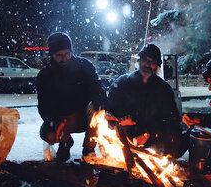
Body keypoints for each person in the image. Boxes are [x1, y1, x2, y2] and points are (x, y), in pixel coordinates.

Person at [35, 32, 103, 162]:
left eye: (67, 54)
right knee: (48, 134)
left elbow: (97, 88)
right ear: (52, 55)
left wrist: (99, 102)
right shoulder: (45, 75)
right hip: (63, 120)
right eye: (59, 56)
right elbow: (43, 105)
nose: (64, 58)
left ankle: (89, 147)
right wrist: (52, 121)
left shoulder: (84, 66)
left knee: (98, 110)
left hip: (86, 117)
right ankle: (65, 142)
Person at [106, 44, 183, 157]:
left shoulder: (164, 89)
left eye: (152, 62)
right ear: (139, 61)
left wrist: (149, 134)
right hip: (124, 136)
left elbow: (173, 121)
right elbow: (108, 110)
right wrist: (119, 122)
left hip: (153, 141)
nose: (148, 65)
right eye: (145, 60)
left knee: (176, 141)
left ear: (157, 65)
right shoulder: (122, 83)